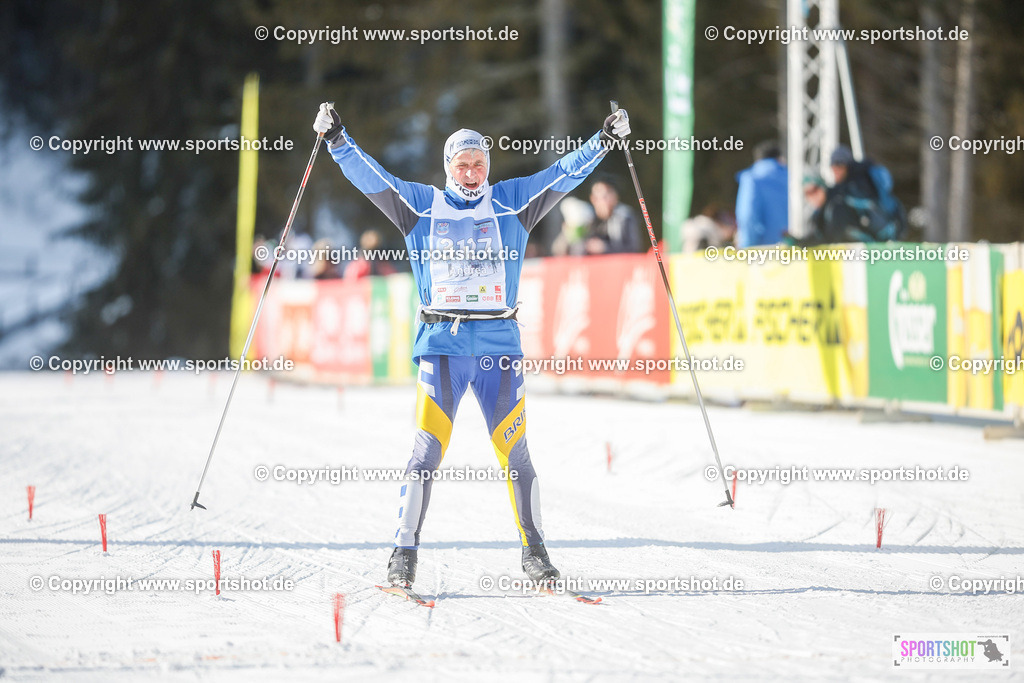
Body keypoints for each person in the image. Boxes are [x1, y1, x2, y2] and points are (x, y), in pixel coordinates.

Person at [312, 102, 631, 592]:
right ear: (447, 169)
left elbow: (563, 173)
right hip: (442, 347)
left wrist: (604, 140)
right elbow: (372, 177)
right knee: (425, 453)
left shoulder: (511, 201)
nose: (471, 172)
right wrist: (337, 140)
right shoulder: (421, 205)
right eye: (462, 164)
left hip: (498, 350)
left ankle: (535, 552)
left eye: (479, 163)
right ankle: (404, 553)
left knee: (514, 453)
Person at [734, 140, 788, 248]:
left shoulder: (752, 178)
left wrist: (746, 246)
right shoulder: (791, 177)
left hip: (763, 249)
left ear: (757, 159)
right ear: (779, 158)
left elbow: (747, 216)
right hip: (793, 248)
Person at [569, 179, 638, 255]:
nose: (604, 201)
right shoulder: (587, 219)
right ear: (592, 199)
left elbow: (632, 248)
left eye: (607, 195)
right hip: (592, 265)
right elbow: (565, 250)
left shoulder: (624, 217)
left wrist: (604, 248)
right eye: (600, 197)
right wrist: (571, 234)